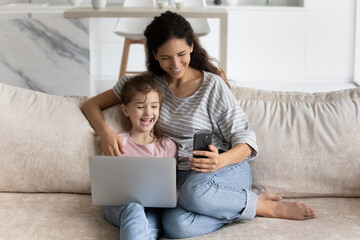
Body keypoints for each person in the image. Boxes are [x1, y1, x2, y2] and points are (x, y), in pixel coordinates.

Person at [82, 11, 316, 239]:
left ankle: (263, 206)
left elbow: (245, 141)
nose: (175, 64)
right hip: (182, 179)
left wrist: (220, 160)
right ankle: (232, 205)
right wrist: (105, 133)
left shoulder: (212, 86)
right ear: (154, 54)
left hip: (225, 167)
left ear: (192, 46)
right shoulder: (145, 86)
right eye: (165, 57)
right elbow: (91, 105)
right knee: (175, 226)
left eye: (181, 53)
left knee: (194, 193)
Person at [102, 74, 177, 240]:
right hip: (119, 206)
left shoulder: (167, 146)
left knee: (148, 229)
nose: (148, 112)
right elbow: (106, 182)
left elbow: (170, 187)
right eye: (141, 106)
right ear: (126, 110)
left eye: (154, 106)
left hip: (154, 208)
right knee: (134, 210)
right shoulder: (117, 142)